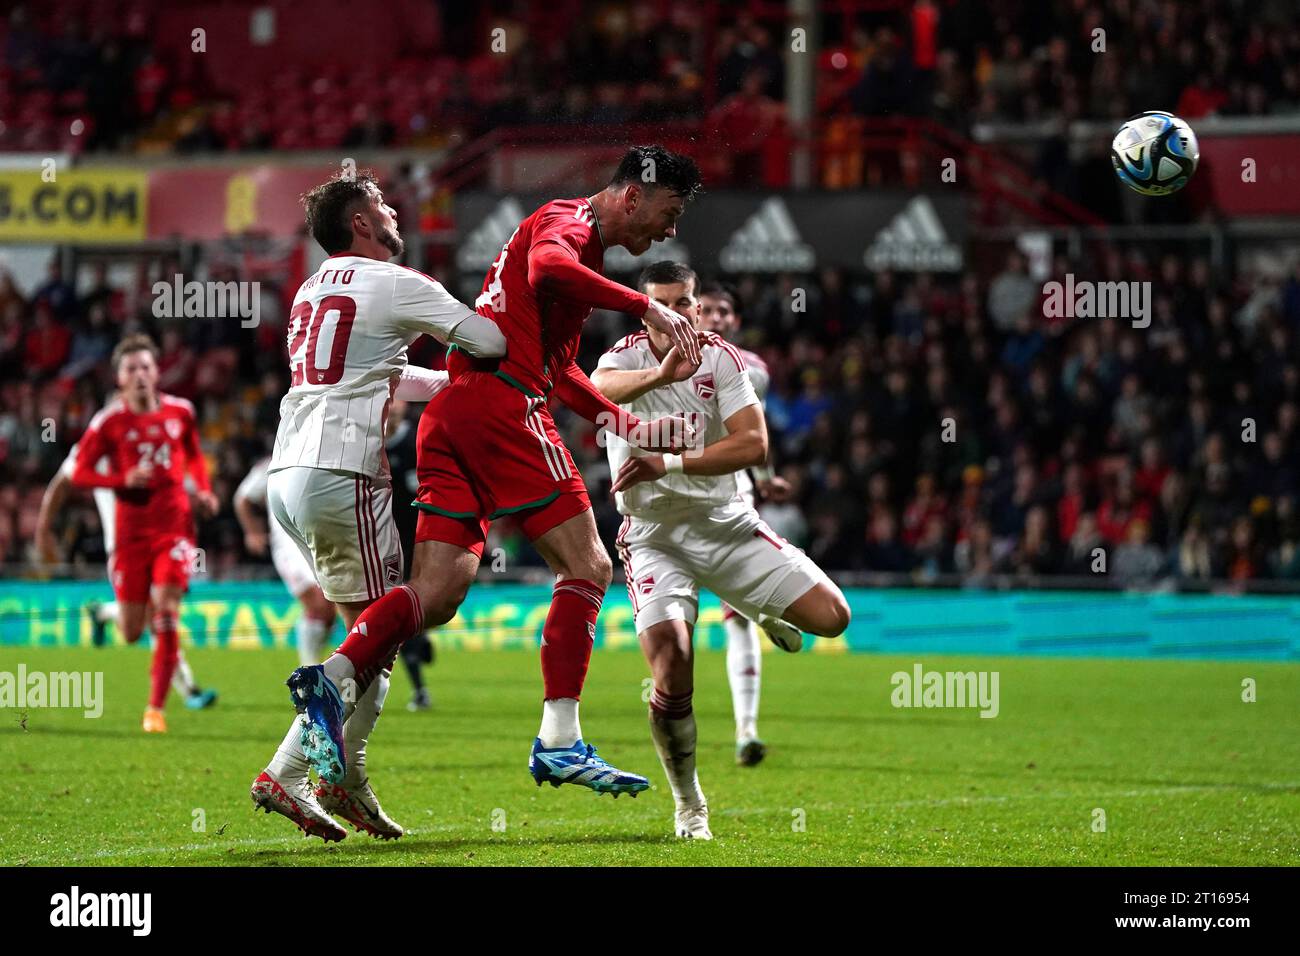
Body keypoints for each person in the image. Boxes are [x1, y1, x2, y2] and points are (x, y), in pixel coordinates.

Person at [302, 145, 704, 798]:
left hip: (454, 413)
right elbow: (547, 268)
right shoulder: (567, 221)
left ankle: (333, 674)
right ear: (633, 196)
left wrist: (626, 424)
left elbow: (562, 371)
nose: (670, 230)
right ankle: (559, 741)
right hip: (501, 407)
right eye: (669, 211)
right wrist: (646, 307)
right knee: (589, 567)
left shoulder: (586, 254)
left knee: (438, 593)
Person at [250, 170, 505, 842]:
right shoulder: (396, 283)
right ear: (360, 223)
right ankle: (303, 773)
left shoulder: (310, 290)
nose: (394, 211)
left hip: (288, 470)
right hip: (343, 469)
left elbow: (384, 376)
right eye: (382, 205)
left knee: (370, 640)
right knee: (379, 639)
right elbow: (488, 341)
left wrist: (444, 381)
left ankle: (341, 782)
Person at [594, 261, 851, 838]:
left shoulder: (725, 359)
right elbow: (596, 391)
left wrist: (669, 460)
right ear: (645, 308)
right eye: (663, 304)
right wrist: (661, 375)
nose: (679, 314)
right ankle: (689, 803)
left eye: (685, 302)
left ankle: (761, 609)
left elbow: (754, 443)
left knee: (834, 618)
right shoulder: (623, 357)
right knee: (672, 665)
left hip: (725, 523)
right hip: (655, 536)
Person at [67, 335, 221, 732]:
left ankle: (155, 710)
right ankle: (106, 614)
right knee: (134, 631)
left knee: (167, 607)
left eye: (145, 367)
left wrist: (202, 490)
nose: (139, 375)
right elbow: (79, 473)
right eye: (130, 369)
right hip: (130, 537)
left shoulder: (181, 412)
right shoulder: (108, 422)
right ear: (118, 379)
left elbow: (193, 455)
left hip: (175, 530)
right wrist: (121, 478)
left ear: (157, 372)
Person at [36, 439, 216, 707]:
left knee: (159, 614)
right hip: (123, 548)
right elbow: (62, 483)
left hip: (161, 542)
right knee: (144, 621)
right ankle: (105, 613)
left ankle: (190, 690)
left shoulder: (153, 439)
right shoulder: (96, 442)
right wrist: (43, 527)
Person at [698, 280, 793, 765]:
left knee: (735, 622)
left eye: (724, 311)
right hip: (668, 504)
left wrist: (766, 478)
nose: (715, 317)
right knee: (674, 625)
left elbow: (751, 432)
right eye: (706, 309)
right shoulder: (655, 361)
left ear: (734, 321)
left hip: (727, 501)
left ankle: (746, 731)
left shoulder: (752, 370)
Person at [233, 456, 337, 665]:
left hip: (320, 542)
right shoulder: (273, 463)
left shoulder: (322, 457)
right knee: (319, 603)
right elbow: (242, 498)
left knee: (328, 611)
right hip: (289, 548)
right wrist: (252, 532)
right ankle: (308, 670)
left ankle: (315, 669)